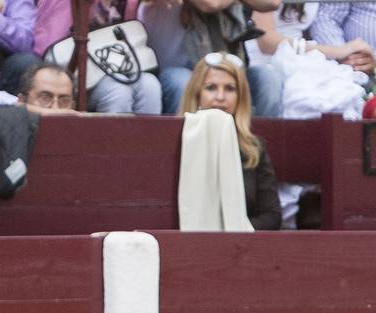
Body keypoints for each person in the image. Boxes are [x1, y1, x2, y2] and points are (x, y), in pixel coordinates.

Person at [181, 52, 280, 228]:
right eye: (211, 87)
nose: (220, 97)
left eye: (230, 89)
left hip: (240, 249)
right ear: (196, 94)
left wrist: (232, 231)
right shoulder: (175, 143)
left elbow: (271, 216)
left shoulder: (254, 149)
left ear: (240, 97)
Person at [140, 0, 285, 116]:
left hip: (229, 70)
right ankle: (183, 148)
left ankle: (256, 148)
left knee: (268, 78)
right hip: (176, 73)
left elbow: (272, 3)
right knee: (182, 82)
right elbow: (210, 3)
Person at [33, 0, 162, 114]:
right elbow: (47, 51)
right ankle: (112, 141)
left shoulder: (128, 3)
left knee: (150, 84)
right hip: (75, 80)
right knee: (117, 90)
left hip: (119, 70)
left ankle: (148, 141)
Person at [0, 58, 79, 111]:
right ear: (22, 99)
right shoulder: (15, 115)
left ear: (72, 106)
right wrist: (32, 110)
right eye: (45, 97)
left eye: (64, 100)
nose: (55, 108)